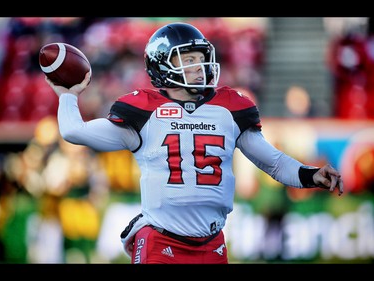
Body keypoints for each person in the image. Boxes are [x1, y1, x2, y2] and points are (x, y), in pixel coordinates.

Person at [45, 22, 344, 264]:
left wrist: (310, 174)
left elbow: (273, 162)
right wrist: (68, 94)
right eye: (188, 60)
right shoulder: (142, 111)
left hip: (211, 245)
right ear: (162, 66)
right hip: (160, 241)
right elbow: (75, 132)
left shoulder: (230, 107)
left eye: (200, 59)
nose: (198, 67)